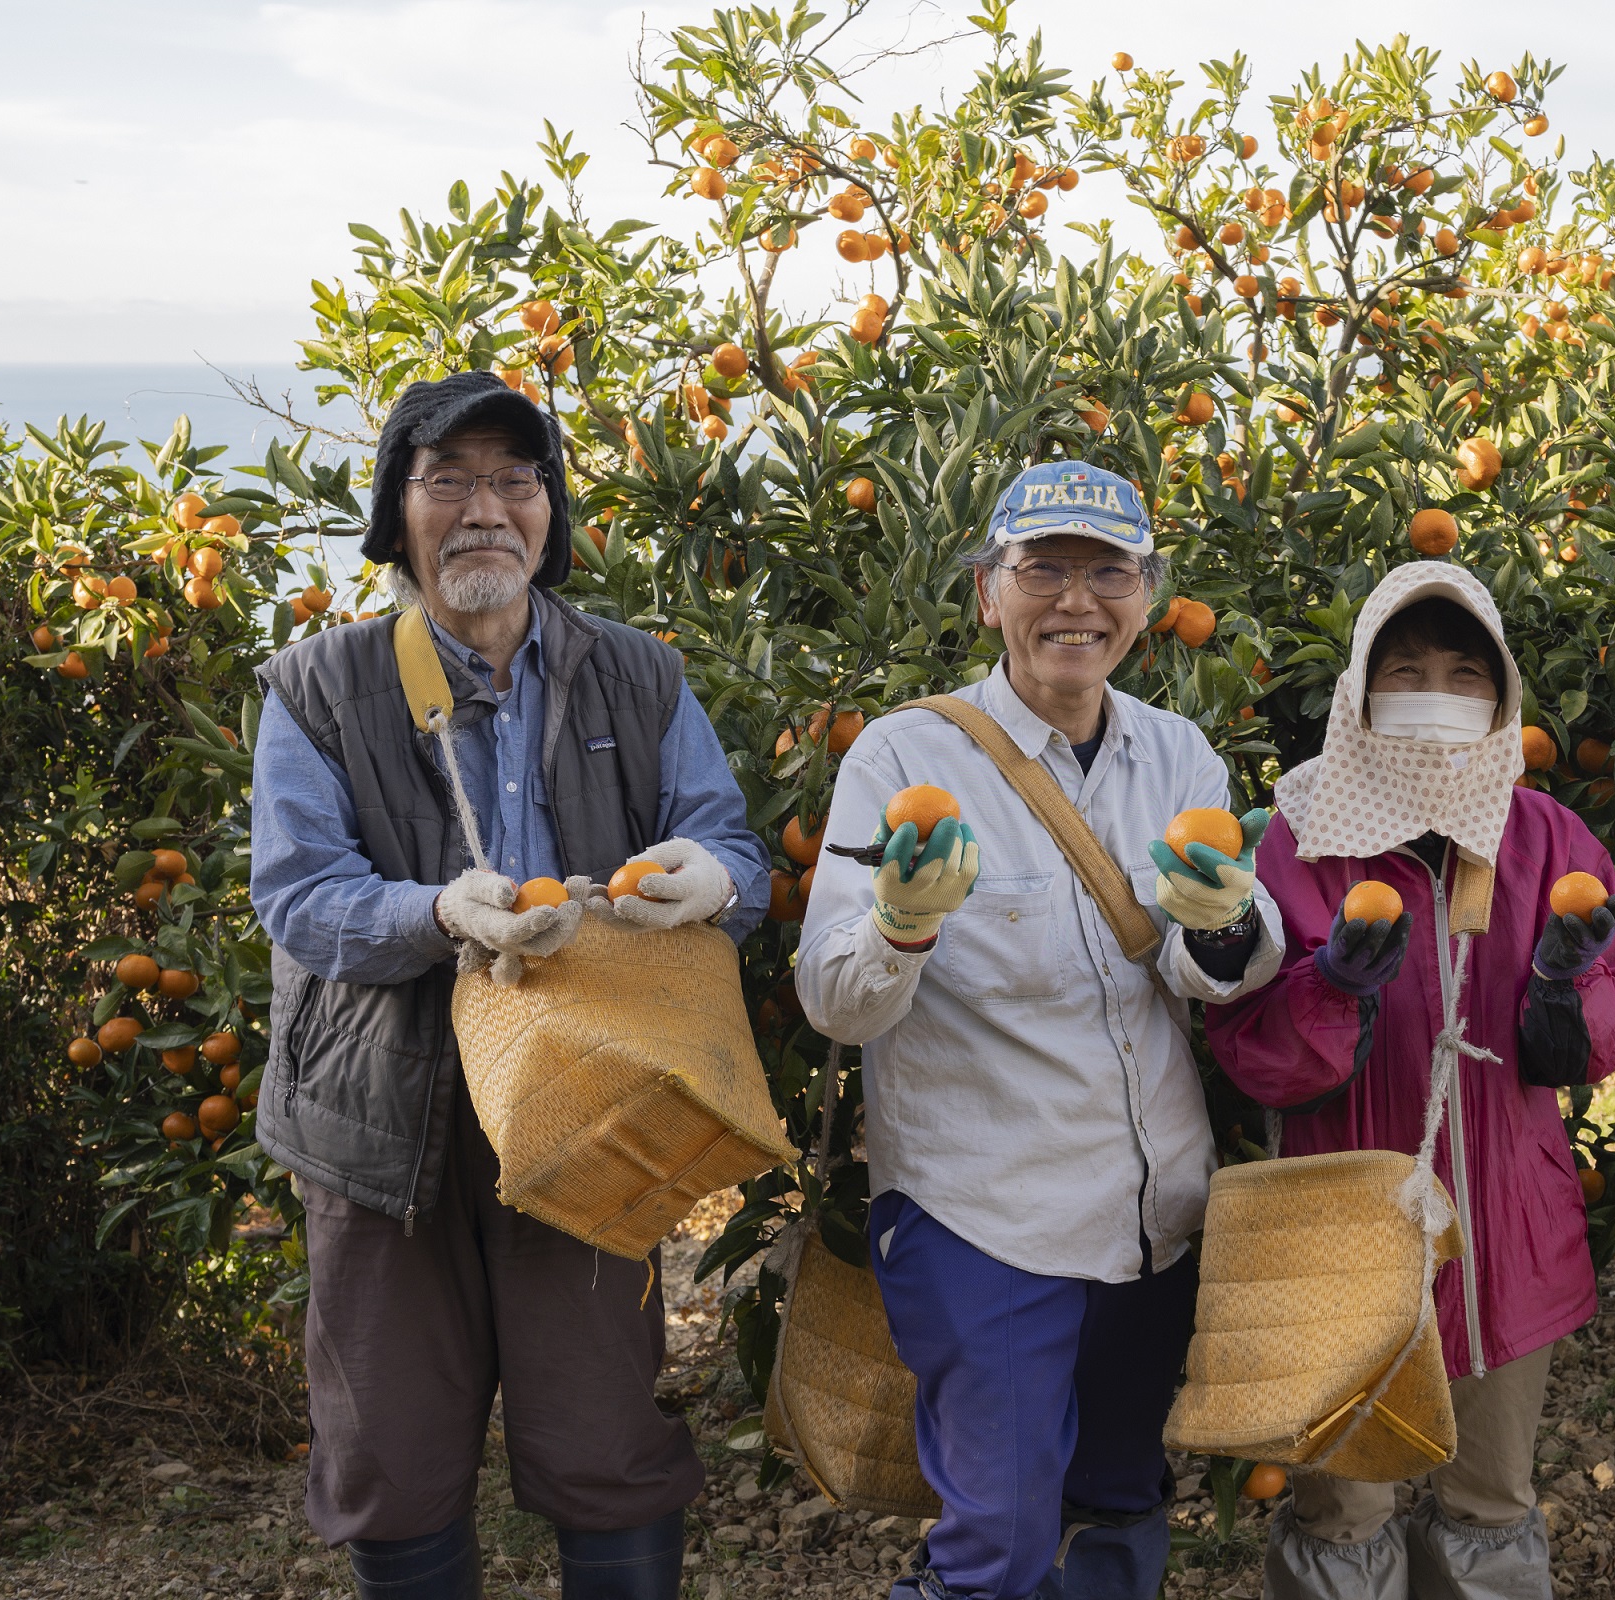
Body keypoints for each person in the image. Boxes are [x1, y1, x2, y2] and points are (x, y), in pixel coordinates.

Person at [249, 370, 772, 1600]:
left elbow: (728, 844)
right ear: (398, 512)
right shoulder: (317, 688)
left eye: (514, 479)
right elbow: (299, 891)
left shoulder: (637, 676)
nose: (487, 507)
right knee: (391, 1450)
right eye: (451, 480)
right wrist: (434, 912)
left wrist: (712, 880)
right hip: (386, 1126)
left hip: (590, 1108)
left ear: (549, 511)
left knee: (604, 1442)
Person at [795, 460, 1287, 1600]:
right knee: (1000, 1546)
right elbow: (833, 995)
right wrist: (900, 927)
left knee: (1121, 1500)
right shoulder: (904, 758)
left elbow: (1206, 959)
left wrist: (1225, 927)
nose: (1077, 599)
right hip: (987, 1216)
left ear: (1149, 593)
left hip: (1152, 1212)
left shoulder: (1176, 753)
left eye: (1107, 569)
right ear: (987, 591)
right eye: (1044, 568)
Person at [1205, 561, 1615, 1600]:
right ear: (1359, 691)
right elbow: (1255, 1052)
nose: (1434, 693)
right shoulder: (1301, 845)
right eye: (1405, 670)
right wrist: (1330, 991)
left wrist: (1560, 998)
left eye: (1461, 672)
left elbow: (1604, 1039)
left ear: (1500, 698)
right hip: (1344, 1237)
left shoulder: (1548, 839)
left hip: (1507, 1238)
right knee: (1343, 1510)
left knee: (1490, 1503)